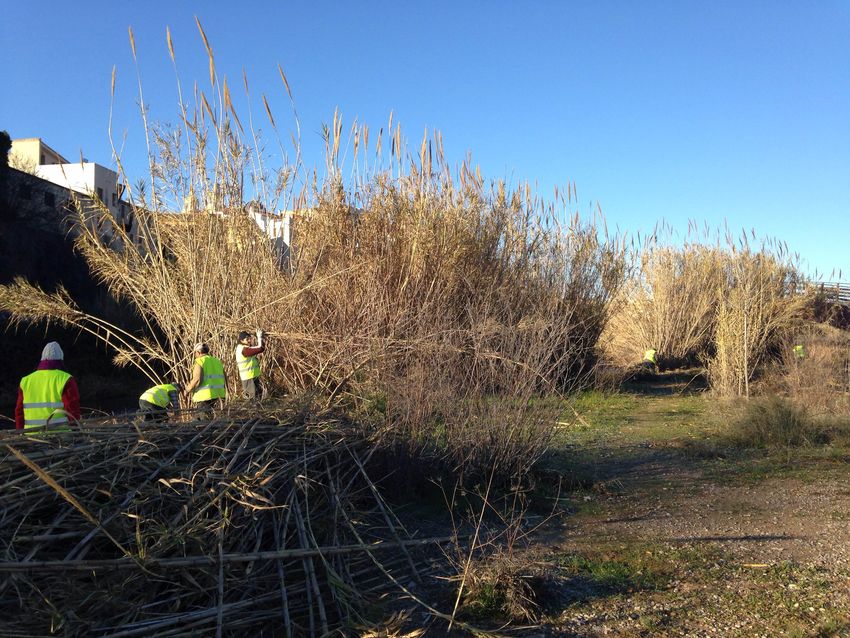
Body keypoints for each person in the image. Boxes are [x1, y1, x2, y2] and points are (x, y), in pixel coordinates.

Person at [15, 341, 80, 433]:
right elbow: (72, 410)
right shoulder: (65, 379)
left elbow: (19, 412)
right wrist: (77, 433)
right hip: (60, 437)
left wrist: (19, 434)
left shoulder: (25, 381)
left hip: (31, 437)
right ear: (61, 359)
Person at [183, 343, 227, 416]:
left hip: (204, 397)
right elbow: (225, 377)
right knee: (216, 422)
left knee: (203, 423)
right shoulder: (217, 361)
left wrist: (187, 390)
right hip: (219, 395)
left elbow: (197, 379)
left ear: (198, 352)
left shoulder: (199, 361)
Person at [235, 329, 265, 400]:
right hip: (248, 377)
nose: (249, 340)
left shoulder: (245, 348)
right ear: (241, 341)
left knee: (257, 395)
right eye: (247, 339)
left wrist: (261, 339)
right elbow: (260, 348)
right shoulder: (243, 349)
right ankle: (253, 410)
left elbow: (260, 348)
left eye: (249, 338)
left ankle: (256, 410)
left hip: (252, 376)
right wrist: (259, 337)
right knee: (252, 397)